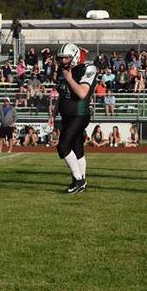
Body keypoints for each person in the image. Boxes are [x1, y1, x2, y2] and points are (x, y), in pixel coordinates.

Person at [48, 43, 97, 193]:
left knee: (63, 146)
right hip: (66, 115)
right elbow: (61, 95)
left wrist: (69, 78)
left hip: (79, 114)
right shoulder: (62, 71)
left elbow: (82, 93)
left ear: (74, 57)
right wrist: (54, 113)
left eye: (66, 58)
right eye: (61, 58)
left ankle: (78, 180)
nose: (63, 61)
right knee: (77, 150)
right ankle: (82, 183)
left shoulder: (87, 68)